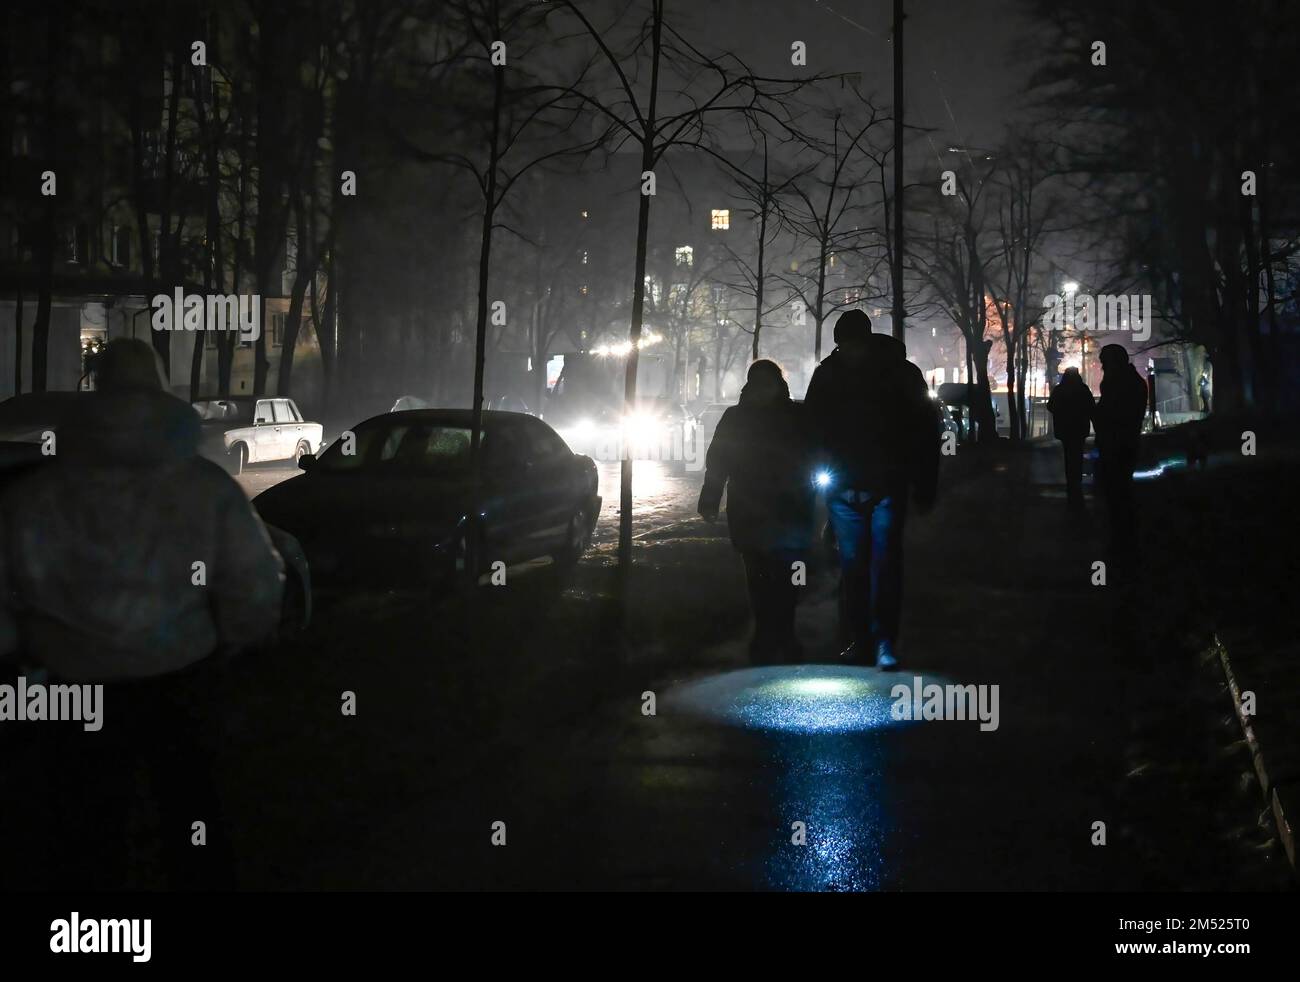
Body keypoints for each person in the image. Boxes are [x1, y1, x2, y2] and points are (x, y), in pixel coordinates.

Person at [0, 338, 285, 889]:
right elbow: (251, 582)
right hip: (178, 677)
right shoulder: (206, 489)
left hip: (74, 685)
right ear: (162, 392)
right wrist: (239, 639)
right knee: (190, 809)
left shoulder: (34, 497)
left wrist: (18, 654)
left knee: (84, 821)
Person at [804, 310, 939, 670]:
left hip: (870, 485)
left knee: (872, 566)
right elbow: (926, 428)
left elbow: (925, 431)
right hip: (868, 484)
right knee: (863, 567)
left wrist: (923, 480)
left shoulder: (831, 375)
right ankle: (871, 640)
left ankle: (872, 640)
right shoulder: (899, 373)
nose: (848, 350)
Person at [698, 360, 815, 663]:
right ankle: (772, 633)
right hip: (771, 508)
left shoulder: (741, 418)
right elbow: (719, 460)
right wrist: (710, 497)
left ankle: (775, 634)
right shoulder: (793, 416)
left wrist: (711, 497)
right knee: (766, 574)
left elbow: (718, 460)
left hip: (771, 506)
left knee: (774, 574)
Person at [1092, 344, 1149, 549]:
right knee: (1121, 489)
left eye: (1105, 363)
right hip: (1124, 442)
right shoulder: (1132, 382)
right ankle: (1125, 537)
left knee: (1117, 491)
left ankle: (1123, 540)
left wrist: (1096, 415)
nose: (1103, 367)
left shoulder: (1118, 384)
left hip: (1118, 444)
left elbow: (1111, 414)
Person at [1046, 367, 1095, 509]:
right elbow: (1091, 407)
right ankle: (1077, 481)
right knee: (1078, 455)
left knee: (1068, 454)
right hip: (1079, 429)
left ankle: (1070, 482)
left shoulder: (1059, 390)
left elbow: (1051, 406)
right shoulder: (1083, 389)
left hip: (1065, 429)